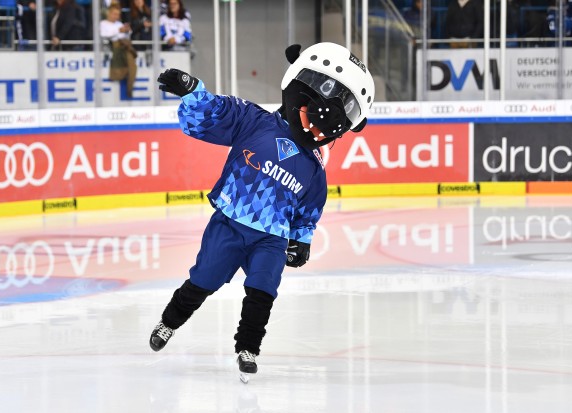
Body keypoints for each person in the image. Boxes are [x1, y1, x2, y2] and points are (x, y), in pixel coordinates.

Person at [149, 42, 375, 381]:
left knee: (263, 291)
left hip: (271, 237)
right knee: (203, 281)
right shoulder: (255, 121)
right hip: (229, 225)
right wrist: (192, 91)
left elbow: (310, 208)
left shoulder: (315, 168)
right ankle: (169, 322)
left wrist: (302, 239)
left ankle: (248, 348)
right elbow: (217, 111)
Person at [100, 3, 137, 97]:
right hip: (112, 46)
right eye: (114, 14)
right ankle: (120, 76)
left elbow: (125, 36)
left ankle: (129, 87)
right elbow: (104, 35)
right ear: (109, 13)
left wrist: (127, 31)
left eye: (118, 14)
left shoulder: (119, 24)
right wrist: (118, 31)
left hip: (124, 45)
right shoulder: (103, 23)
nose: (116, 16)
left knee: (132, 65)